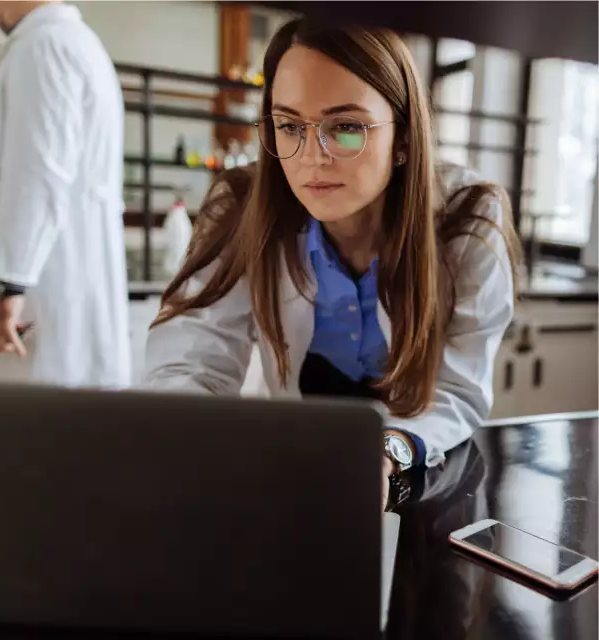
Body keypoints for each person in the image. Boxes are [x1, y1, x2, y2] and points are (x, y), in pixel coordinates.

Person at [143, 19, 520, 477]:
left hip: (418, 464)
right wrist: (193, 437)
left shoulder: (468, 217)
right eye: (289, 125)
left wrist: (386, 453)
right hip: (294, 463)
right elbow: (193, 361)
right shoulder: (242, 208)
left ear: (403, 138)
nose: (311, 156)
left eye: (345, 126)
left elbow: (456, 389)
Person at [0, 0, 130, 387]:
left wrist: (7, 289)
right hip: (52, 294)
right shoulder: (67, 42)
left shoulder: (44, 46)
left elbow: (40, 175)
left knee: (27, 434)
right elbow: (52, 164)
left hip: (35, 306)